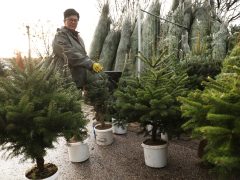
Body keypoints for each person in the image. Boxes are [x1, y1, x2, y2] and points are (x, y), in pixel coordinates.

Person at [52, 8, 103, 89]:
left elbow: (83, 56)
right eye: (70, 20)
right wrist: (90, 64)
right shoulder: (60, 36)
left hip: (78, 81)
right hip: (65, 79)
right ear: (64, 21)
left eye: (75, 20)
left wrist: (93, 67)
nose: (73, 22)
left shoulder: (79, 39)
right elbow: (69, 54)